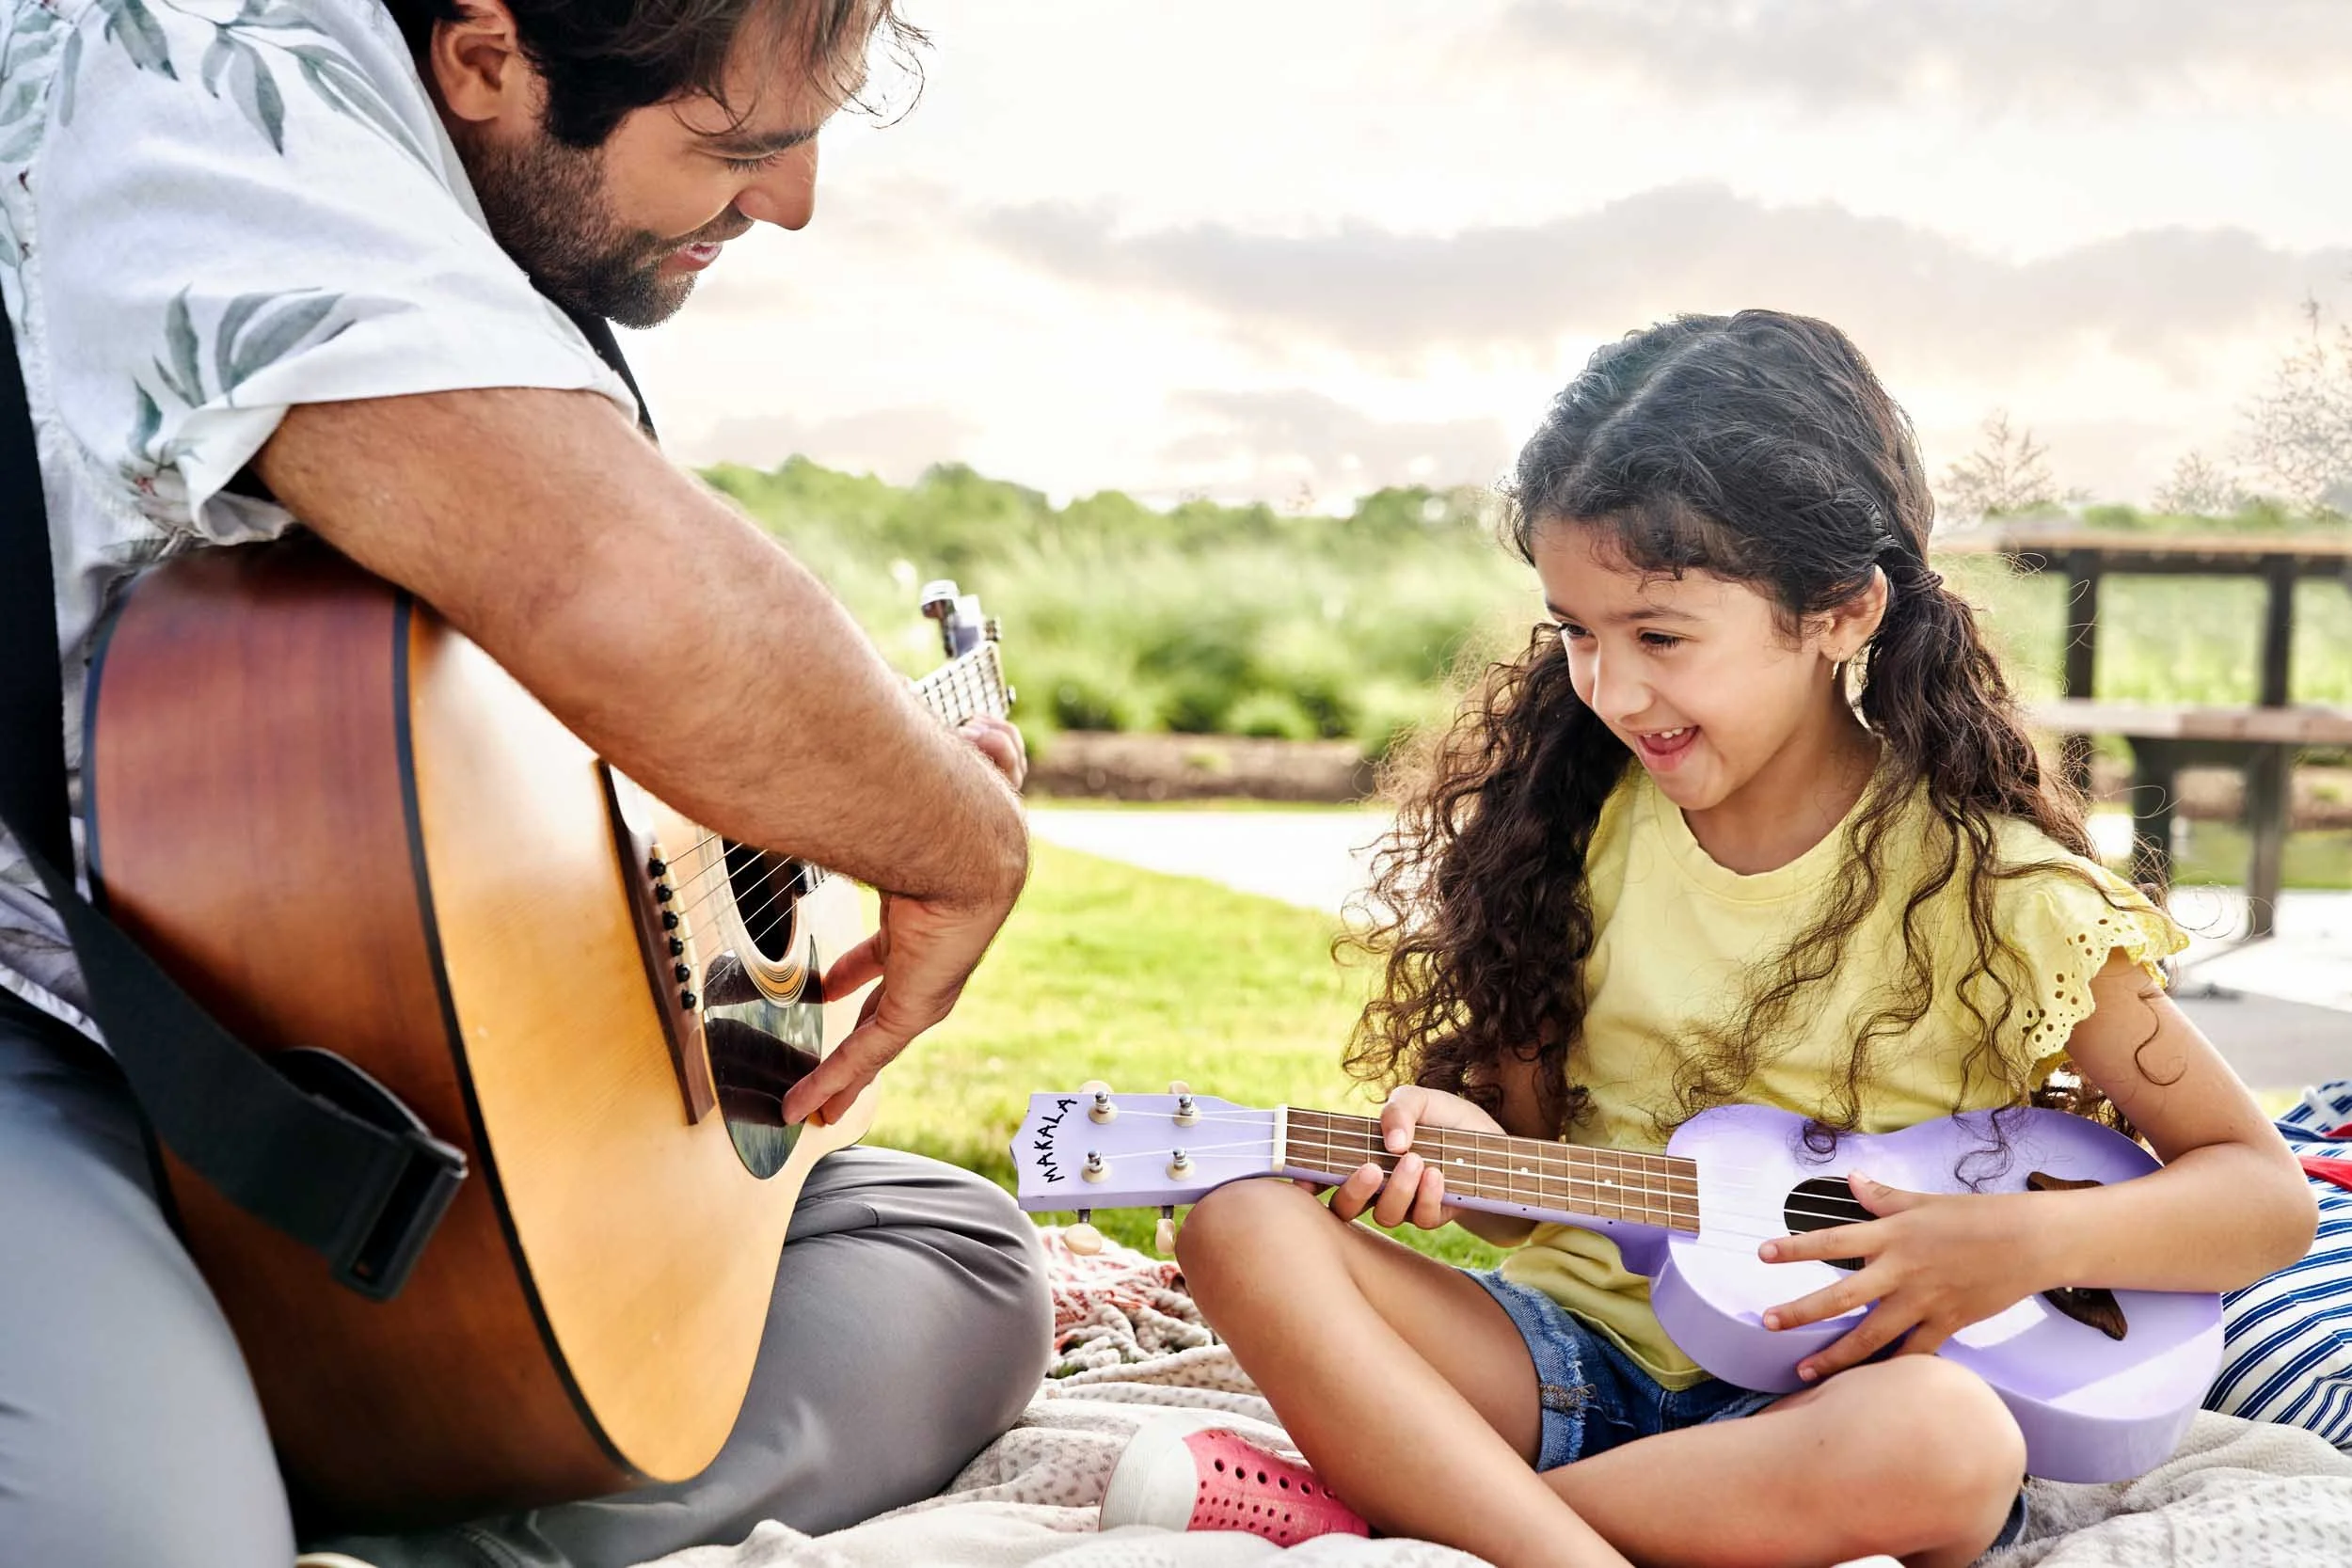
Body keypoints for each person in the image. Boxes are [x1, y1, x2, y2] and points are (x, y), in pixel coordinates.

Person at [0, 2, 1049, 1564]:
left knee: (957, 1252)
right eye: (742, 146)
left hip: (357, 1056)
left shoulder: (476, 236)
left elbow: (527, 728)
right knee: (150, 1539)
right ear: (486, 54)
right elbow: (607, 587)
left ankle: (432, 1527)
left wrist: (828, 789)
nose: (795, 201)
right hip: (60, 1028)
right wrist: (956, 837)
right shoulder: (185, 76)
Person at [1104, 312, 2318, 1567]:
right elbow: (1530, 1199)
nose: (1612, 690)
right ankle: (1556, 1538)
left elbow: (2261, 1195)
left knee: (1954, 1443)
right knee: (1234, 1215)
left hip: (1830, 1409)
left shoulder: (2003, 893)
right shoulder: (1567, 831)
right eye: (1578, 631)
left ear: (1842, 610)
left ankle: (1450, 1514)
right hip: (1562, 1362)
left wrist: (2023, 1242)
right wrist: (1469, 1156)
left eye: (1661, 636)